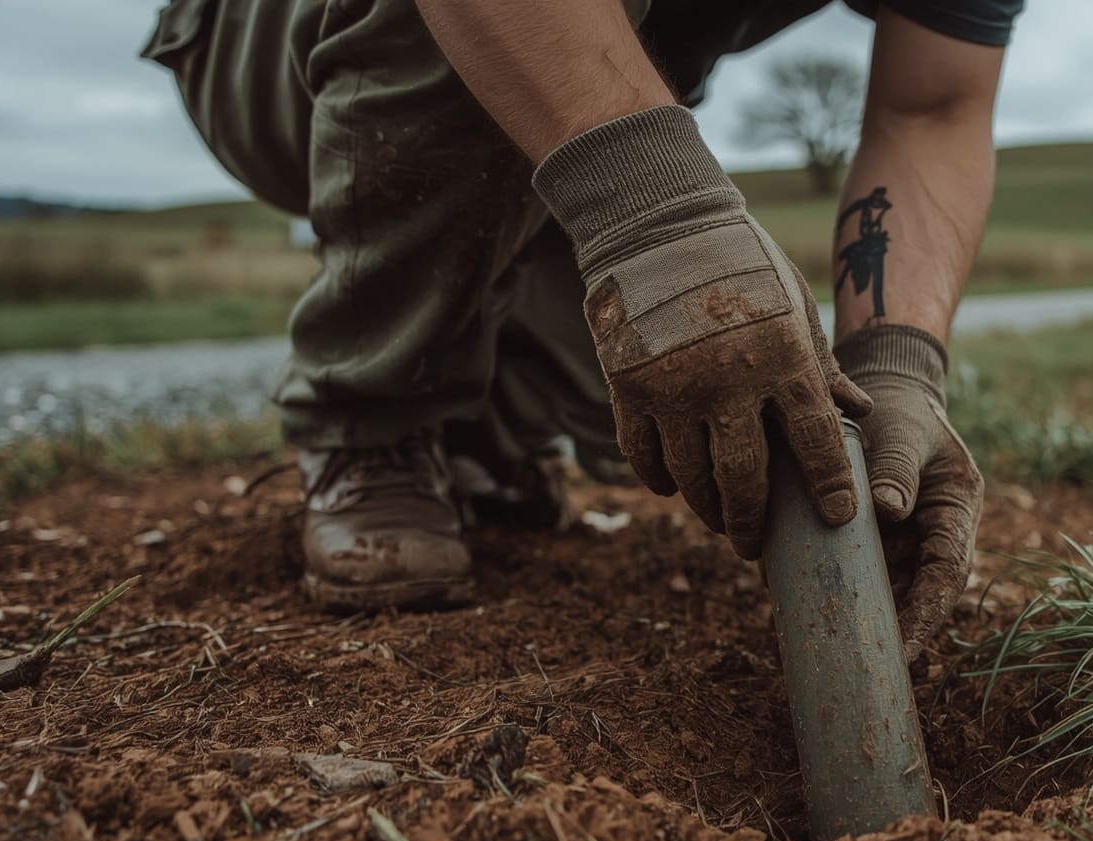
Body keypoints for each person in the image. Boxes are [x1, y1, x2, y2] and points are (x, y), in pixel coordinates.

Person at [141, 0, 1020, 658]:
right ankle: (372, 417)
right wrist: (658, 218)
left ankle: (479, 405)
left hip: (566, 91)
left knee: (669, 390)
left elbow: (931, 107)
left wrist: (896, 366)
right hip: (303, 45)